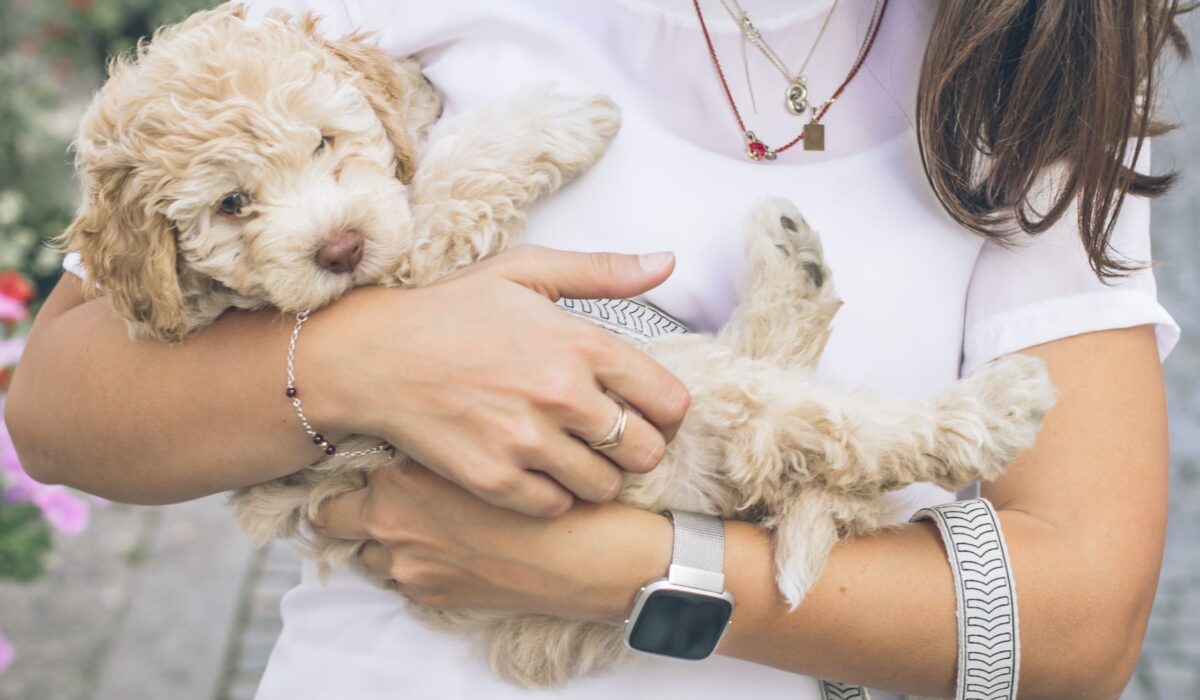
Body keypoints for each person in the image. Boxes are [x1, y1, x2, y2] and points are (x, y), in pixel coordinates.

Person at [7, 0, 1185, 697]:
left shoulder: (1038, 63)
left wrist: (629, 570)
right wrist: (356, 361)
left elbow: (1084, 619)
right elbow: (56, 403)